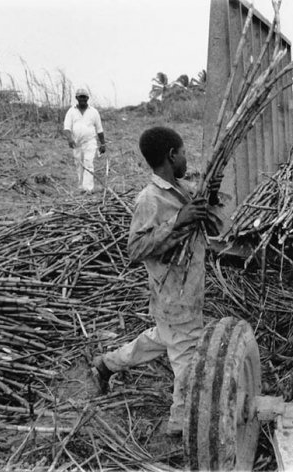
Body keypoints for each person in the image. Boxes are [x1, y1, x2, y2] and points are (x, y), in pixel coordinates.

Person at [92, 126, 222, 437]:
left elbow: (203, 207)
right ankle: (180, 423)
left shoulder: (180, 189)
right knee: (187, 365)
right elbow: (135, 249)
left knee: (159, 340)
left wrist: (211, 192)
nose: (186, 159)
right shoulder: (149, 199)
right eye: (184, 153)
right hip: (174, 297)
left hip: (183, 294)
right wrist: (178, 221)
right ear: (171, 155)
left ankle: (106, 364)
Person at [63, 88, 106, 193]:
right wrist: (69, 139)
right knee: (79, 165)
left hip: (90, 142)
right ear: (76, 98)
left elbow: (99, 129)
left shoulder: (94, 112)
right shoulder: (71, 111)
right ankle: (81, 187)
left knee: (88, 163)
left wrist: (103, 143)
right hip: (76, 143)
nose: (83, 99)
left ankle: (88, 189)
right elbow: (67, 128)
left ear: (88, 98)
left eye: (84, 97)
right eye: (80, 97)